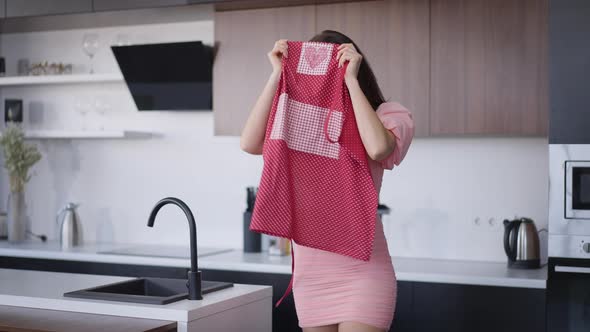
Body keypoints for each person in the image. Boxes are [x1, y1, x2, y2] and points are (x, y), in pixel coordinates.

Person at [240, 30, 414, 332]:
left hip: (363, 272)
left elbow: (378, 148)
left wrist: (350, 82)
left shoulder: (388, 114)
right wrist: (278, 74)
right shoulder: (299, 118)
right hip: (312, 276)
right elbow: (250, 143)